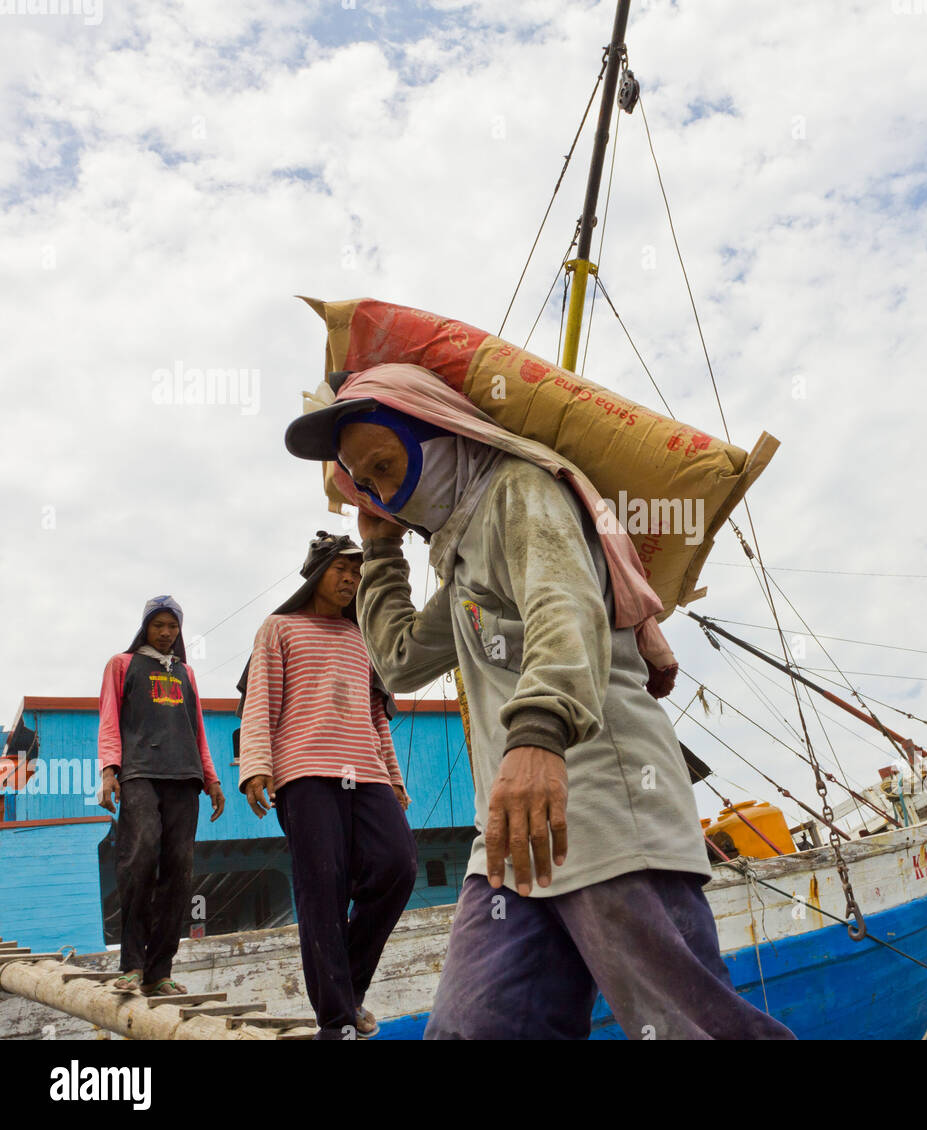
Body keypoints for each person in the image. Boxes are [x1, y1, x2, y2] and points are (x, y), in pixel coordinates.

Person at [283, 363, 795, 1040]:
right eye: (367, 482)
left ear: (438, 433)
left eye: (386, 463)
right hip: (511, 845)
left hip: (603, 813)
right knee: (468, 1031)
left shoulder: (520, 491)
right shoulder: (462, 557)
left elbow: (565, 606)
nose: (384, 489)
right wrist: (381, 552)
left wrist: (536, 735)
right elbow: (400, 660)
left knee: (686, 1030)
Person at [236, 531, 416, 1040]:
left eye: (358, 573)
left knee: (398, 866)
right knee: (322, 892)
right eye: (343, 569)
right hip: (305, 773)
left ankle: (347, 991)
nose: (352, 580)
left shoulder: (366, 638)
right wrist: (255, 764)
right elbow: (261, 701)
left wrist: (395, 780)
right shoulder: (279, 628)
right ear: (317, 572)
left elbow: (378, 717)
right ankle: (336, 1022)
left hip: (367, 773)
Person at [97, 595, 224, 996]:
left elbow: (197, 729)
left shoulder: (186, 672)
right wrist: (108, 770)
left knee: (179, 867)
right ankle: (132, 966)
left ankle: (160, 971)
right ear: (145, 627)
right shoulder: (121, 664)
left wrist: (212, 778)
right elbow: (109, 719)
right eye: (159, 625)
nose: (167, 633)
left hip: (184, 776)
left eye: (173, 626)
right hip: (138, 774)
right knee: (141, 855)